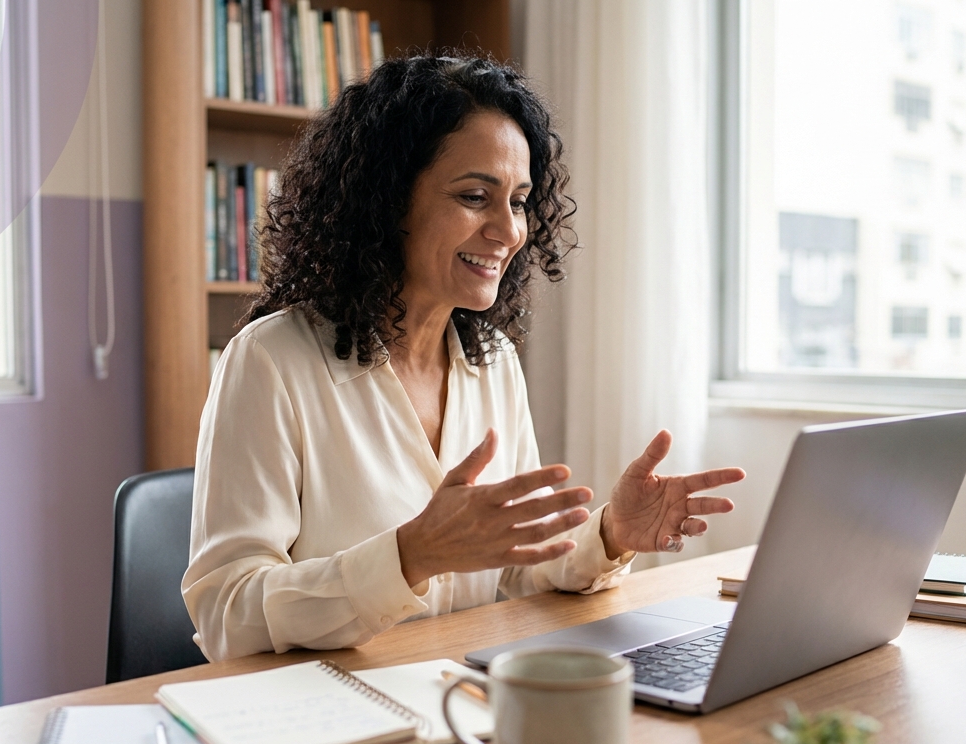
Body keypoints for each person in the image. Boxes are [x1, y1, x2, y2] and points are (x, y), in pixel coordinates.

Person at [183, 54, 745, 661]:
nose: (508, 230)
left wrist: (609, 535)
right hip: (330, 720)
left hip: (462, 705)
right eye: (476, 196)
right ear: (387, 201)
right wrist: (411, 555)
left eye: (521, 202)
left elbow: (515, 574)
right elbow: (226, 613)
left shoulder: (493, 361)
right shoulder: (270, 360)